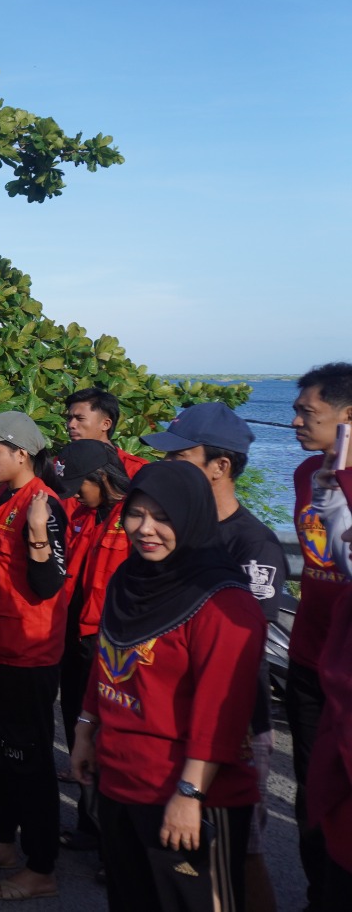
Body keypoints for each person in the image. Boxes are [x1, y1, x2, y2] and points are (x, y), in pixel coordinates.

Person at [70, 461, 264, 912]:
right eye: (136, 514)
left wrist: (189, 794)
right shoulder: (129, 579)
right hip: (120, 778)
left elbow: (224, 712)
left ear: (193, 516)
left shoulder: (223, 603)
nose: (146, 529)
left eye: (163, 517)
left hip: (188, 792)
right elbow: (107, 661)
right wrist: (84, 729)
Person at [145, 401, 289, 909]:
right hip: (170, 713)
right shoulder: (176, 532)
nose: (165, 468)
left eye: (178, 456)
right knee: (178, 850)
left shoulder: (254, 545)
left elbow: (240, 648)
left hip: (234, 722)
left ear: (219, 467)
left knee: (237, 852)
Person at [0, 410, 68, 901]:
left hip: (28, 652)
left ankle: (41, 865)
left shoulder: (44, 505)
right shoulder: (0, 498)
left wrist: (40, 533)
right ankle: (3, 840)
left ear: (21, 453)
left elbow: (48, 585)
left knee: (29, 761)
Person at [285, 361, 352, 910]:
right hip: (309, 651)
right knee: (312, 783)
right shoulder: (308, 473)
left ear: (348, 417)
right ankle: (317, 894)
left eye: (308, 412)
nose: (296, 421)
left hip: (349, 662)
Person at [48, 439, 131, 851]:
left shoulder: (136, 516)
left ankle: (114, 842)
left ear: (103, 476)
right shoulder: (87, 513)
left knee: (110, 744)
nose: (77, 493)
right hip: (77, 640)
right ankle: (89, 825)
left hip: (112, 647)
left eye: (83, 484)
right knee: (82, 734)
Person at [63, 388, 148, 479]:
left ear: (105, 424)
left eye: (80, 419)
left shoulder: (137, 469)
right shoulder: (61, 463)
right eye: (69, 419)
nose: (71, 425)